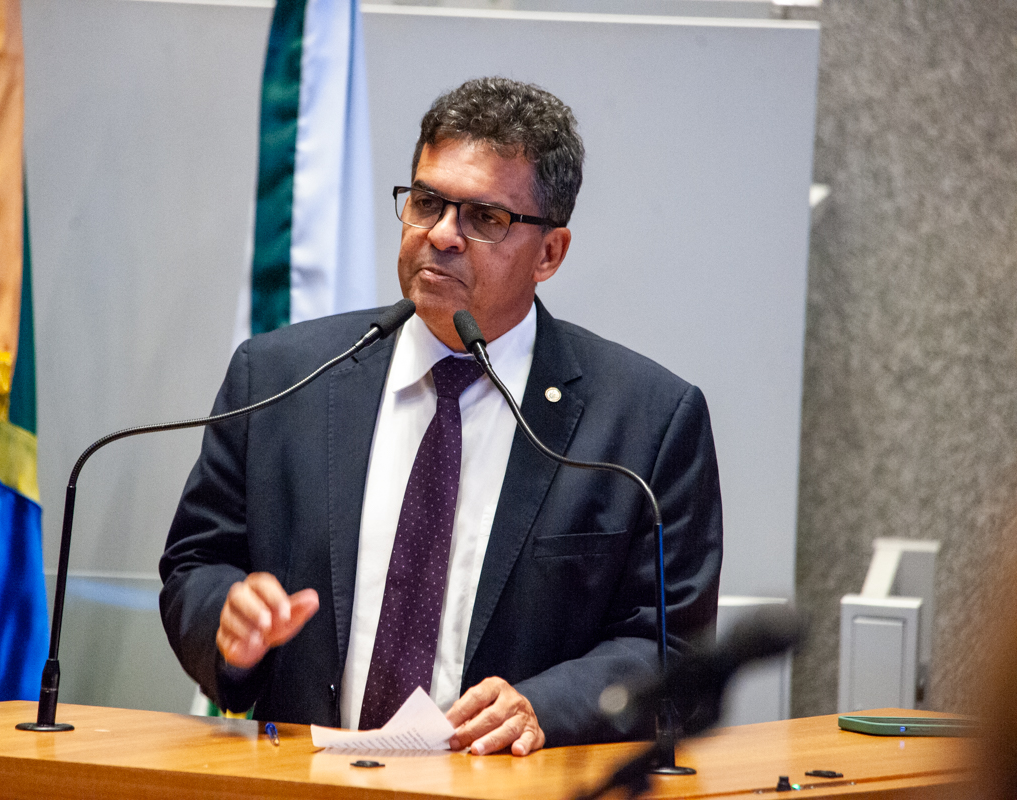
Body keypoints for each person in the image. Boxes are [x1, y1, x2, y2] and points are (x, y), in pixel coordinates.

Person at [160, 77, 722, 756]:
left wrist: (544, 707)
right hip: (302, 782)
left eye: (485, 218)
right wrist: (227, 617)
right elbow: (197, 563)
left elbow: (667, 644)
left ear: (550, 253)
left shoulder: (646, 421)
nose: (442, 235)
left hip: (508, 789)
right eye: (427, 203)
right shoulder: (282, 377)